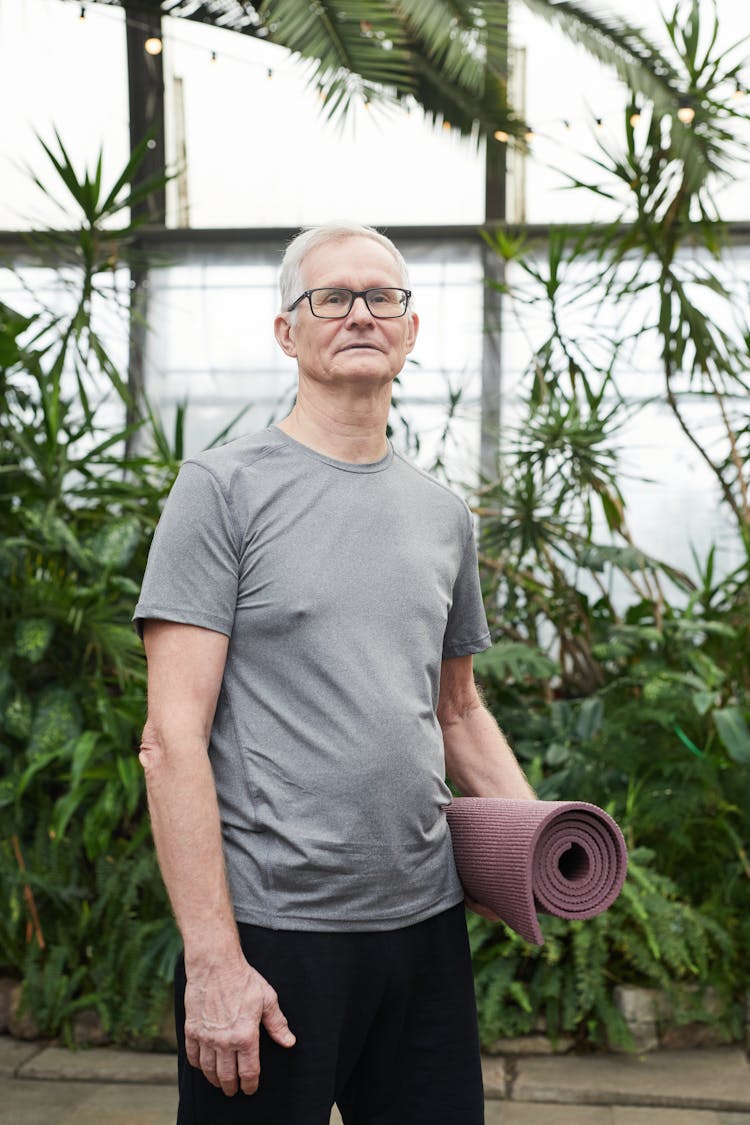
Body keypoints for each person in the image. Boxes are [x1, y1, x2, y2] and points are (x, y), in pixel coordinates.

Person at [134, 221, 535, 1125]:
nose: (360, 312)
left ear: (410, 329)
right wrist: (214, 964)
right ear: (288, 331)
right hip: (276, 937)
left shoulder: (442, 515)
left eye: (381, 296)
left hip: (424, 929)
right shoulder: (222, 489)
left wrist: (543, 847)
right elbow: (170, 739)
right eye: (332, 297)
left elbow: (460, 709)